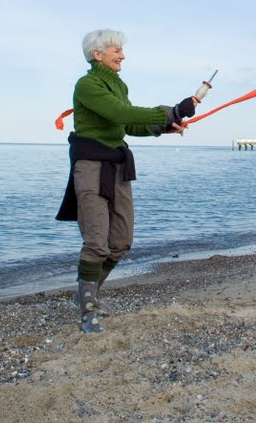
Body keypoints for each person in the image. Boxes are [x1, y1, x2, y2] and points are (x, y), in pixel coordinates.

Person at [56, 29, 198, 333]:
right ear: (98, 55)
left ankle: (85, 291)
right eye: (116, 50)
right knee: (96, 242)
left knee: (120, 242)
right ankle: (88, 308)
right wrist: (169, 111)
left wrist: (165, 126)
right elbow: (118, 112)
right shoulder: (87, 85)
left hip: (118, 166)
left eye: (121, 50)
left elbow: (129, 123)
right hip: (91, 166)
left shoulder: (118, 84)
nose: (122, 55)